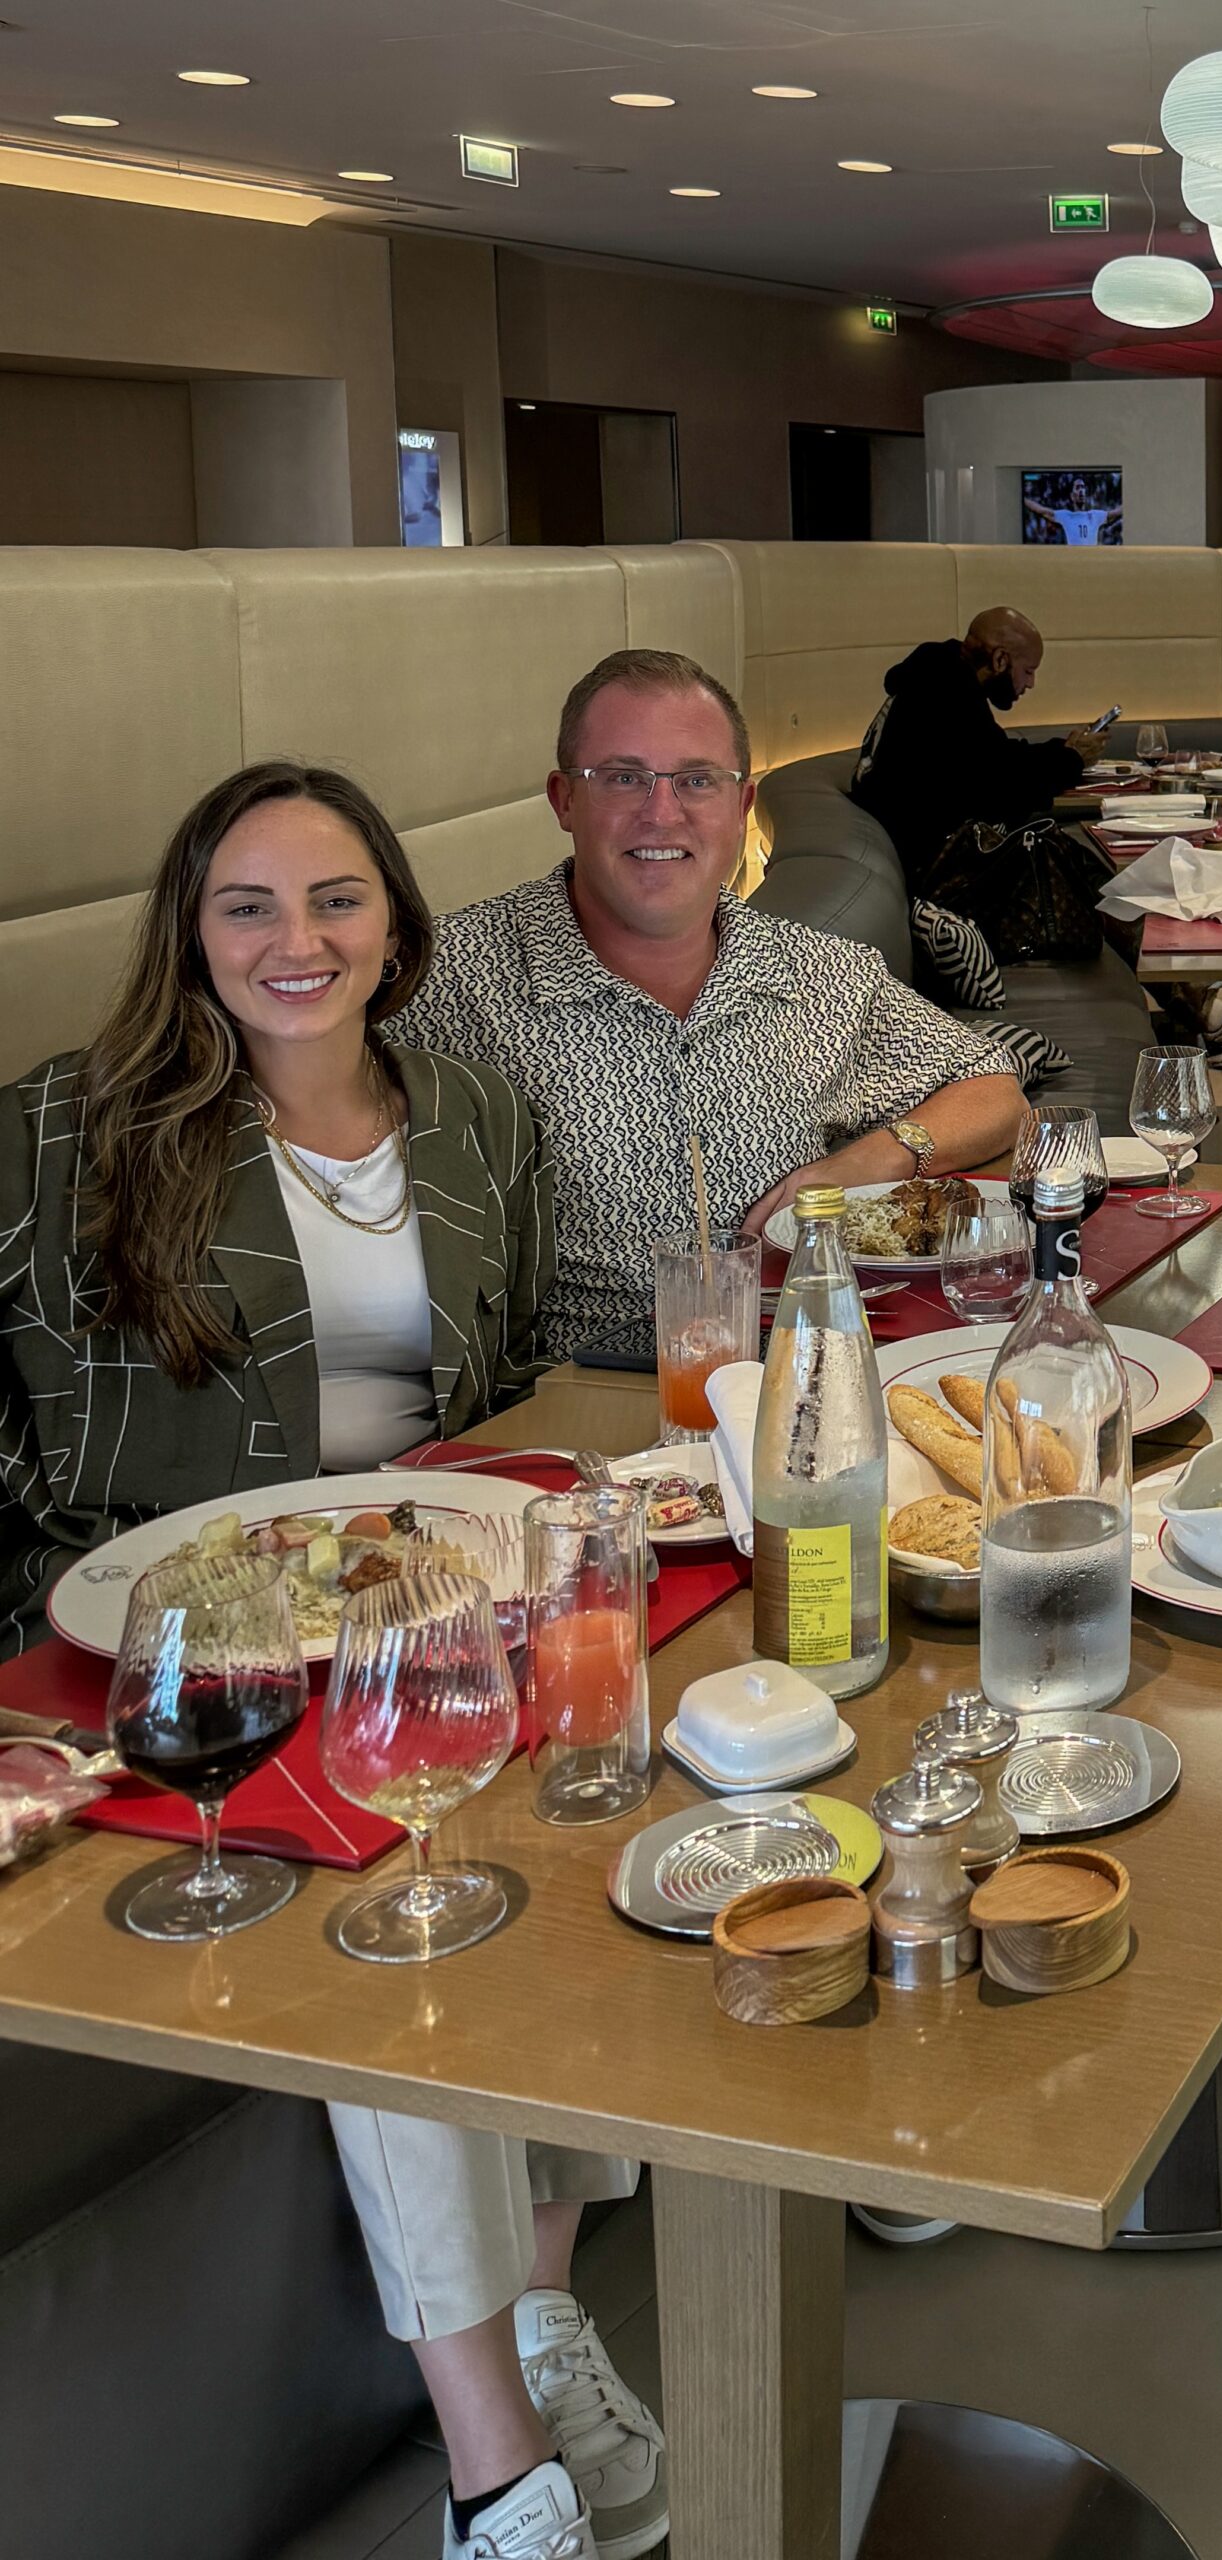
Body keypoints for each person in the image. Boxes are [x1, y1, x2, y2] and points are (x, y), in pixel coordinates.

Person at [0, 762, 662, 2560]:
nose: (299, 944)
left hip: (425, 1609)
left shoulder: (473, 1119)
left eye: (336, 902)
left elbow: (505, 1386)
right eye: (249, 908)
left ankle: (536, 2299)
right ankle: (495, 2466)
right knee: (397, 1900)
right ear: (189, 935)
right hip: (179, 1660)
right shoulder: (67, 1131)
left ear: (395, 920)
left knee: (606, 1788)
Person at [393, 648, 1027, 1356]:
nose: (660, 814)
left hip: (793, 1382)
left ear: (741, 806)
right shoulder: (447, 976)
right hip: (574, 1405)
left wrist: (864, 1164)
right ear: (564, 799)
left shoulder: (817, 971)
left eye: (697, 780)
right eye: (623, 778)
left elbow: (996, 1091)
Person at [850, 607, 1106, 875]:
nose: (1030, 684)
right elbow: (999, 787)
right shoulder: (946, 696)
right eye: (1028, 671)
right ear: (1000, 659)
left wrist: (1064, 750)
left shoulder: (938, 678)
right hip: (932, 872)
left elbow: (992, 757)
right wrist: (1071, 759)